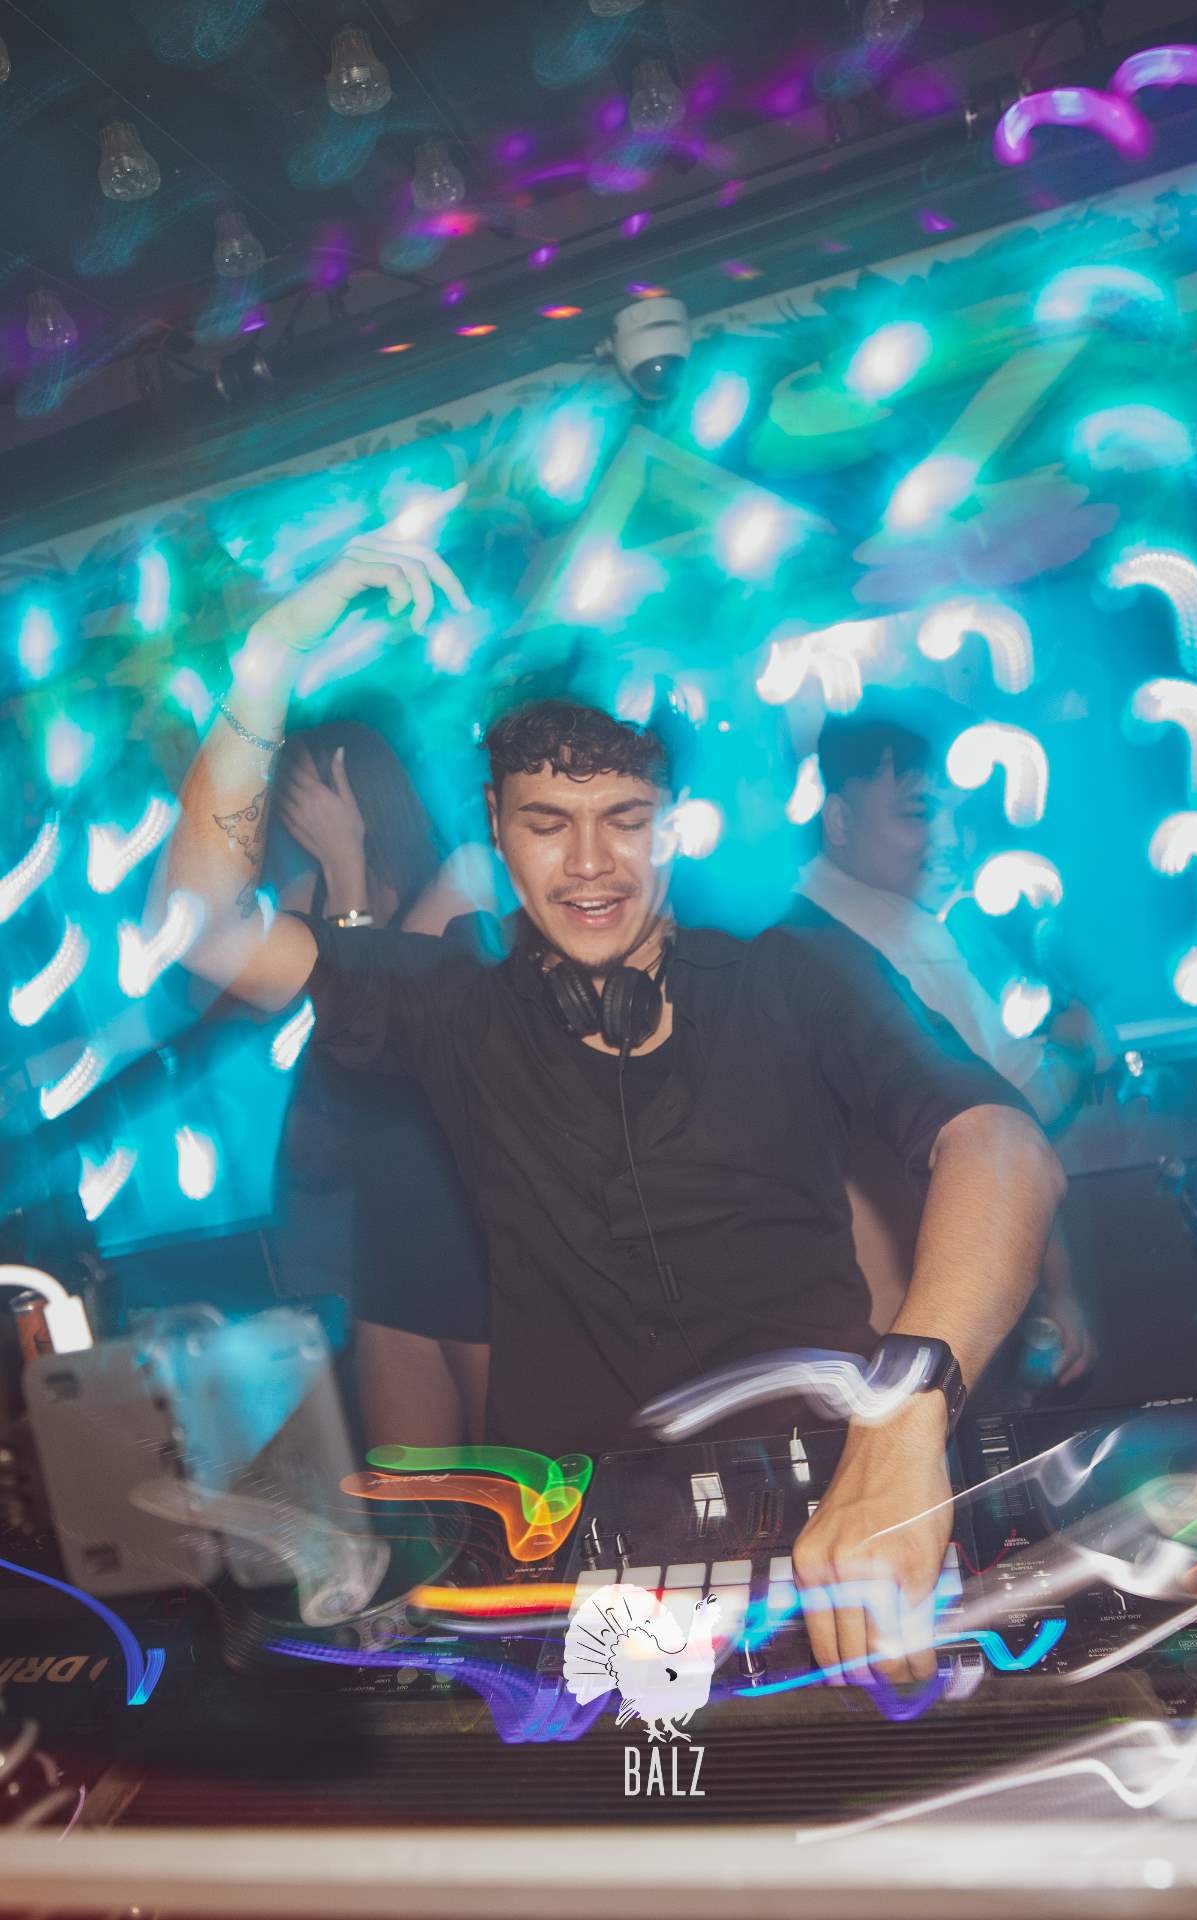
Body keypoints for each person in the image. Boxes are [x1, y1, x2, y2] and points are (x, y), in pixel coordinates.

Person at [164, 506, 1065, 1686]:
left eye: (621, 821)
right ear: (498, 837)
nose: (589, 863)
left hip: (832, 1527)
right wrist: (266, 658)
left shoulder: (794, 975)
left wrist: (903, 1420)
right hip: (579, 1570)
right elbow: (204, 929)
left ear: (669, 831)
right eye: (547, 825)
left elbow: (1001, 1145)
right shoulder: (451, 1001)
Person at [792, 701, 1103, 1384]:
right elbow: (1015, 1116)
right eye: (918, 813)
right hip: (928, 1333)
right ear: (839, 819)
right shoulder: (900, 942)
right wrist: (1076, 1048)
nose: (948, 839)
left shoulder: (780, 931)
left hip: (838, 1339)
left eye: (954, 816)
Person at [265, 718, 491, 1447]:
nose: (292, 810)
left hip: (473, 1230)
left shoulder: (463, 876)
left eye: (306, 790)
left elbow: (382, 1034)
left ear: (355, 789)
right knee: (412, 1500)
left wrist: (347, 869)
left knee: (524, 1494)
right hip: (386, 1236)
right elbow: (221, 983)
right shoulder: (307, 893)